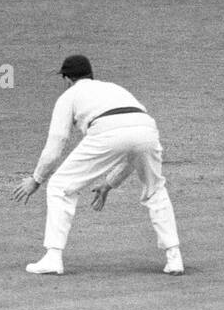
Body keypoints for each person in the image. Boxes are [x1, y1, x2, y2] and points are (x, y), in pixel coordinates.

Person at [12, 55, 183, 276]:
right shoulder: (114, 88)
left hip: (107, 129)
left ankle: (53, 257)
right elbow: (133, 147)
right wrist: (109, 184)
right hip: (147, 129)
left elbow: (57, 143)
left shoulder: (69, 95)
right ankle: (174, 257)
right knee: (155, 190)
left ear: (66, 79)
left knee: (59, 186)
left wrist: (36, 179)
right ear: (91, 74)